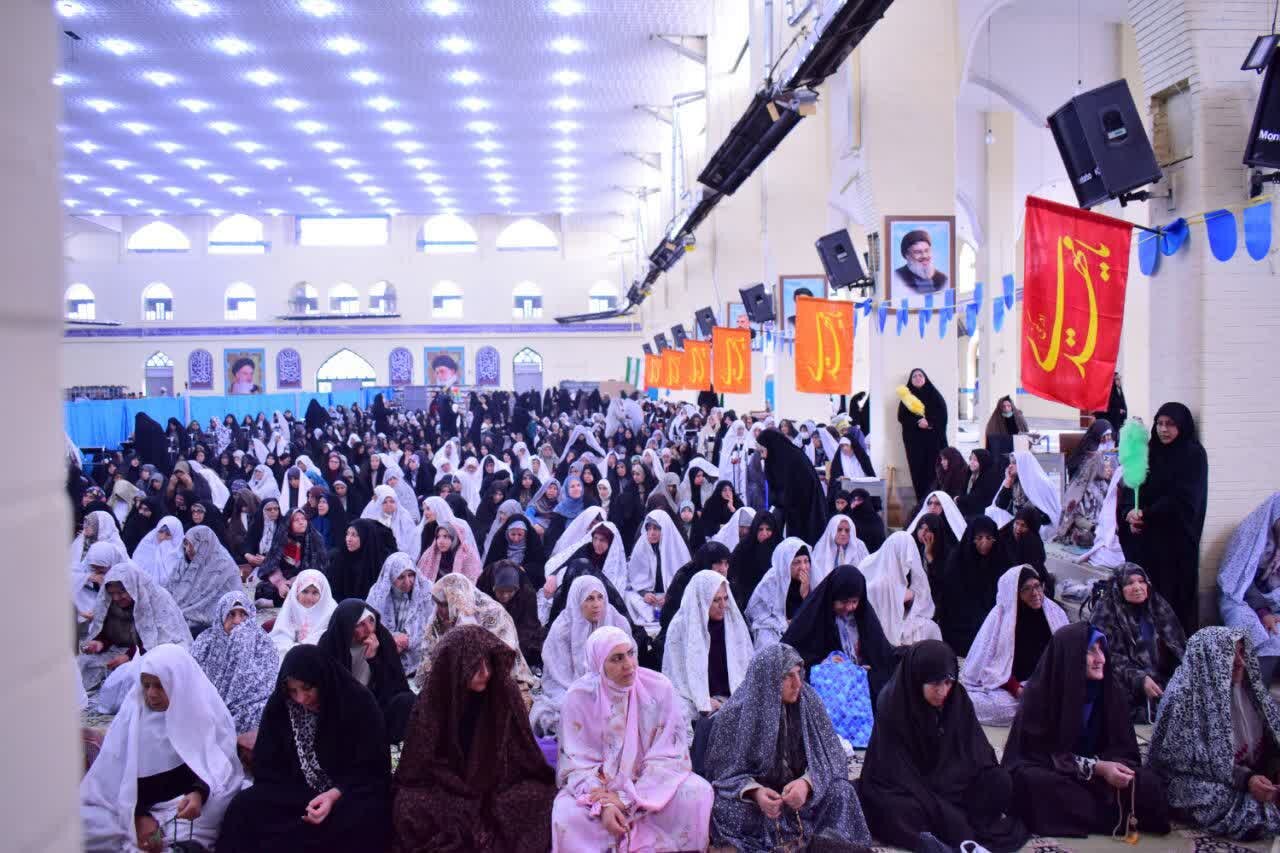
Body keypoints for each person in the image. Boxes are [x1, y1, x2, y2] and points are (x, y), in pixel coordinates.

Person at [391, 625, 556, 853]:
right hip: (450, 784)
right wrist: (458, 785)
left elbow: (521, 751)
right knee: (408, 805)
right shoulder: (435, 699)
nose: (486, 673)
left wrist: (489, 779)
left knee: (537, 799)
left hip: (497, 781)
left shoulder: (502, 692)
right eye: (475, 666)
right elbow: (420, 763)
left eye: (488, 663)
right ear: (455, 666)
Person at [552, 625, 713, 852]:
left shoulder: (659, 687)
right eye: (617, 658)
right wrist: (605, 804)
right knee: (567, 815)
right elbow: (575, 763)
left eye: (630, 653)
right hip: (600, 785)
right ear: (599, 664)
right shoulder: (578, 698)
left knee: (698, 793)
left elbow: (670, 754)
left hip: (651, 781)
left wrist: (629, 797)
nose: (629, 665)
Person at [1002, 622, 1171, 837]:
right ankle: (1108, 815)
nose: (1101, 658)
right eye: (1091, 651)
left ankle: (1091, 814)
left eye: (1102, 649)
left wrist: (1114, 768)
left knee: (1150, 784)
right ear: (1070, 656)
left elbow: (1124, 749)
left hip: (1100, 778)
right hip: (1055, 772)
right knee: (1033, 783)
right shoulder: (1041, 694)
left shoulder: (1111, 692)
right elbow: (1035, 754)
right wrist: (1096, 768)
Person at [217, 645, 392, 852]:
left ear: (323, 680)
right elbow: (268, 766)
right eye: (293, 691)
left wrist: (334, 794)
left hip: (348, 792)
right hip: (300, 792)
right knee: (244, 806)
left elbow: (373, 769)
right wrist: (293, 793)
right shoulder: (282, 706)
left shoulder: (357, 703)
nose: (301, 698)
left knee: (363, 818)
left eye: (307, 688)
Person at [858, 639, 1029, 851]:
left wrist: (954, 780)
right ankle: (941, 830)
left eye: (948, 682)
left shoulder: (957, 698)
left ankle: (958, 822)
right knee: (893, 809)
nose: (943, 691)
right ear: (918, 679)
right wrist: (937, 803)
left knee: (999, 780)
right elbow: (894, 770)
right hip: (911, 786)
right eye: (935, 684)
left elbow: (976, 751)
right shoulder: (894, 704)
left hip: (952, 781)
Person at [703, 643, 873, 851]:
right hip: (761, 807)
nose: (798, 683)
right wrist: (755, 792)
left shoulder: (809, 703)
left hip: (804, 802)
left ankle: (822, 843)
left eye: (799, 673)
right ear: (768, 679)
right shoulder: (735, 714)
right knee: (722, 807)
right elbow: (721, 774)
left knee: (842, 792)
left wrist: (807, 783)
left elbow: (833, 757)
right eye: (788, 676)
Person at [80, 644, 244, 852]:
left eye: (160, 686)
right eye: (146, 685)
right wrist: (139, 816)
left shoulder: (198, 712)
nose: (152, 694)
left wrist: (198, 793)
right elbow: (113, 779)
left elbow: (217, 764)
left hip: (182, 807)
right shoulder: (132, 719)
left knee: (223, 804)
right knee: (85, 822)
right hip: (134, 807)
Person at [1147, 627, 1280, 839]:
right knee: (1202, 796)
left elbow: (1273, 735)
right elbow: (1185, 765)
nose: (1240, 662)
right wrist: (1247, 779)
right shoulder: (1183, 699)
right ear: (1209, 658)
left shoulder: (1249, 688)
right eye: (1229, 654)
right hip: (1197, 779)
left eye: (1241, 652)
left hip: (1251, 774)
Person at [1117, 403, 1208, 634]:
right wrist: (1129, 514)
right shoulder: (1149, 452)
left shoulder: (1192, 455)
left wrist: (1146, 515)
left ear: (1182, 426)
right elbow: (1130, 489)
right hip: (1146, 544)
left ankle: (1175, 651)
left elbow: (1185, 500)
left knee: (1173, 603)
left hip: (1175, 546)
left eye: (1170, 424)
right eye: (1159, 423)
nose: (1163, 429)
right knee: (1145, 602)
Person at [961, 566, 1068, 725]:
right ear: (1014, 594)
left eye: (1037, 586)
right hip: (1011, 686)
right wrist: (1016, 689)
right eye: (1026, 589)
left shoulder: (1053, 613)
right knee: (986, 704)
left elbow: (1066, 654)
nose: (1035, 593)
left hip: (1046, 681)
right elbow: (990, 664)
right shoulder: (1001, 619)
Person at [530, 575, 631, 737]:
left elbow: (629, 665)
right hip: (570, 689)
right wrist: (583, 694)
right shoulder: (562, 629)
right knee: (556, 715)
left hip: (613, 688)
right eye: (589, 599)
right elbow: (557, 678)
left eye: (600, 597)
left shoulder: (618, 623)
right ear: (577, 600)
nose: (596, 604)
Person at [782, 565, 896, 707]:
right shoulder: (812, 619)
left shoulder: (864, 617)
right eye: (843, 602)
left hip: (862, 697)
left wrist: (862, 671)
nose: (849, 608)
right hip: (829, 697)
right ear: (831, 597)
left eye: (854, 601)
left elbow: (882, 655)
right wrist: (825, 666)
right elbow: (790, 658)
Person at [415, 573, 537, 703]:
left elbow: (504, 655)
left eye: (445, 604)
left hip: (492, 679)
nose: (441, 610)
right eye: (438, 604)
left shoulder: (493, 613)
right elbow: (429, 653)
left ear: (459, 599)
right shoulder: (438, 620)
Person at [78, 562, 191, 699]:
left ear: (133, 587)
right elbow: (109, 631)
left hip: (154, 649)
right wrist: (99, 643)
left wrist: (129, 656)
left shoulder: (157, 599)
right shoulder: (112, 603)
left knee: (141, 673)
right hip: (124, 650)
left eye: (121, 592)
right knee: (84, 663)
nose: (116, 598)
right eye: (112, 593)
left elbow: (160, 639)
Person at [1088, 564, 1185, 720]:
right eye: (1129, 583)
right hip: (1125, 679)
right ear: (1118, 587)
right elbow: (1107, 656)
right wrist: (1140, 679)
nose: (1137, 587)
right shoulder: (1105, 611)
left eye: (1141, 581)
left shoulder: (1157, 606)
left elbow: (1178, 646)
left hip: (1159, 677)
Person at [315, 598, 416, 744]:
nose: (369, 629)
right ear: (347, 627)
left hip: (376, 703)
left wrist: (374, 660)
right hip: (345, 707)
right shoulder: (330, 644)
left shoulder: (382, 637)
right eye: (360, 625)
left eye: (371, 621)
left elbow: (395, 685)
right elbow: (330, 690)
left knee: (407, 701)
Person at [662, 569, 753, 722]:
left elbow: (744, 666)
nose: (723, 605)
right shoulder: (680, 626)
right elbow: (677, 677)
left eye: (726, 598)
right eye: (716, 600)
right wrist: (703, 700)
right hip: (693, 698)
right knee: (678, 711)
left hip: (730, 695)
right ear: (701, 600)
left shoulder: (732, 623)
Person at [189, 591, 279, 734]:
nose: (237, 621)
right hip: (208, 709)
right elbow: (191, 682)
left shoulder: (263, 644)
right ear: (221, 616)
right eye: (231, 614)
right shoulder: (205, 643)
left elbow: (265, 686)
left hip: (248, 710)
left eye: (243, 614)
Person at [1219, 493, 1280, 657]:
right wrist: (1264, 613)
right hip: (1242, 598)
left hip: (1275, 602)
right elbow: (1238, 581)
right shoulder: (1250, 535)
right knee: (1250, 631)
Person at [859, 531, 943, 647]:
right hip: (881, 627)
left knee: (931, 627)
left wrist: (911, 594)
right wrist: (905, 594)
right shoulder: (878, 577)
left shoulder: (899, 571)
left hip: (900, 621)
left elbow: (922, 598)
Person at [937, 516, 1005, 656]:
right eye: (979, 538)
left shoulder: (1002, 558)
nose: (984, 543)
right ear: (971, 538)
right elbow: (951, 598)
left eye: (989, 538)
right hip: (962, 622)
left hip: (992, 618)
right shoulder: (957, 560)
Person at [755, 428, 829, 544]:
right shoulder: (776, 458)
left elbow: (800, 492)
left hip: (803, 514)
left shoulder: (794, 459)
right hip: (788, 512)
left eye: (762, 451)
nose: (762, 456)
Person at [164, 525, 241, 635]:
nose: (188, 549)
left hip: (214, 619)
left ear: (205, 545)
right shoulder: (185, 562)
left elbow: (209, 600)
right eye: (186, 544)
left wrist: (181, 611)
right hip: (185, 613)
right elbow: (170, 587)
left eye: (193, 545)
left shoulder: (223, 565)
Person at [365, 552, 432, 676]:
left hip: (419, 662)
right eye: (400, 577)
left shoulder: (425, 591)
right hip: (384, 656)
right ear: (390, 577)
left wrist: (409, 641)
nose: (407, 582)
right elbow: (369, 626)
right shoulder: (377, 593)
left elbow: (432, 628)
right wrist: (391, 641)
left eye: (411, 575)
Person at [623, 509, 691, 632]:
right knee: (628, 597)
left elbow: (685, 580)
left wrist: (670, 596)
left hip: (671, 596)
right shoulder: (642, 545)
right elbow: (634, 578)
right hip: (651, 599)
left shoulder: (676, 547)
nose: (651, 533)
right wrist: (644, 594)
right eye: (649, 528)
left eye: (656, 529)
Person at [744, 538, 814, 651]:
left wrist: (805, 596)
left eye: (806, 561)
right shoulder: (771, 581)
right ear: (786, 563)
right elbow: (758, 615)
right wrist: (784, 623)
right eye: (796, 562)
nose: (803, 567)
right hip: (774, 630)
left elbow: (813, 615)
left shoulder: (811, 581)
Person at [476, 559, 544, 667]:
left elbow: (527, 628)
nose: (505, 596)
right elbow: (476, 613)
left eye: (510, 591)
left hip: (516, 636)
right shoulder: (485, 584)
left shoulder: (526, 593)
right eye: (501, 591)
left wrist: (511, 650)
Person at [256, 507, 328, 607]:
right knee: (262, 588)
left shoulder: (315, 538)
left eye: (303, 519)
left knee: (303, 590)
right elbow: (271, 564)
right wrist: (280, 583)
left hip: (307, 579)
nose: (301, 522)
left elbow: (318, 568)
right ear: (289, 523)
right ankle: (286, 599)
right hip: (284, 579)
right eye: (296, 520)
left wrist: (294, 581)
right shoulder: (282, 537)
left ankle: (275, 603)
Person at [897, 368, 948, 501]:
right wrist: (917, 422)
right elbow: (902, 417)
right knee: (918, 473)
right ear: (910, 380)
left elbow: (942, 416)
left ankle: (936, 502)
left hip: (933, 443)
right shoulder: (907, 398)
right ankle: (922, 503)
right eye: (914, 376)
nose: (918, 378)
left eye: (920, 375)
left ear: (925, 378)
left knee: (935, 472)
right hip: (915, 445)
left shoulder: (934, 395)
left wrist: (929, 423)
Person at [268, 568, 338, 659]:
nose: (309, 597)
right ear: (297, 592)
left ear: (322, 594)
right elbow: (280, 635)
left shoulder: (330, 612)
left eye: (315, 593)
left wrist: (302, 649)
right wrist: (292, 649)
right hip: (290, 655)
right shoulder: (291, 608)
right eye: (305, 591)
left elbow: (326, 640)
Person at [326, 518, 396, 602]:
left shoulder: (377, 563)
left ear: (365, 537)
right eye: (347, 534)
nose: (348, 539)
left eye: (354, 535)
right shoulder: (339, 559)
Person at [728, 509, 780, 612]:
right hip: (749, 600)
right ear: (755, 529)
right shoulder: (744, 547)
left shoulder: (780, 547)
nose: (764, 533)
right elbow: (732, 571)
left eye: (768, 529)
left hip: (776, 600)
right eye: (760, 529)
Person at [809, 514, 869, 585]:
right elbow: (815, 579)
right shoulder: (821, 547)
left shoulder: (859, 547)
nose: (843, 533)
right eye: (839, 530)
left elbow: (867, 573)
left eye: (847, 530)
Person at [416, 519, 482, 582]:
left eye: (445, 536)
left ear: (455, 538)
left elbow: (472, 583)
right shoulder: (431, 554)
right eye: (438, 537)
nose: (440, 541)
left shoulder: (467, 555)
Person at [362, 483, 419, 556]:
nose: (388, 504)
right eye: (385, 502)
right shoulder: (375, 517)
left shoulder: (404, 516)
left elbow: (412, 540)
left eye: (392, 501)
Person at [132, 515, 184, 587]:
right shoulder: (147, 544)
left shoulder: (179, 556)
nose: (162, 537)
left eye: (168, 534)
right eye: (160, 531)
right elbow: (134, 568)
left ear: (176, 537)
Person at [894, 228, 948, 295]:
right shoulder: (898, 277)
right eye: (918, 252)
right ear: (907, 255)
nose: (924, 256)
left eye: (927, 251)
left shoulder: (942, 279)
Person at [955, 449, 1002, 519]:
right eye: (970, 459)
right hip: (968, 512)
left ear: (983, 461)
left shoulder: (990, 476)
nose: (971, 462)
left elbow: (977, 497)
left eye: (975, 460)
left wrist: (959, 499)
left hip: (982, 515)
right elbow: (963, 491)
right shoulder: (970, 473)